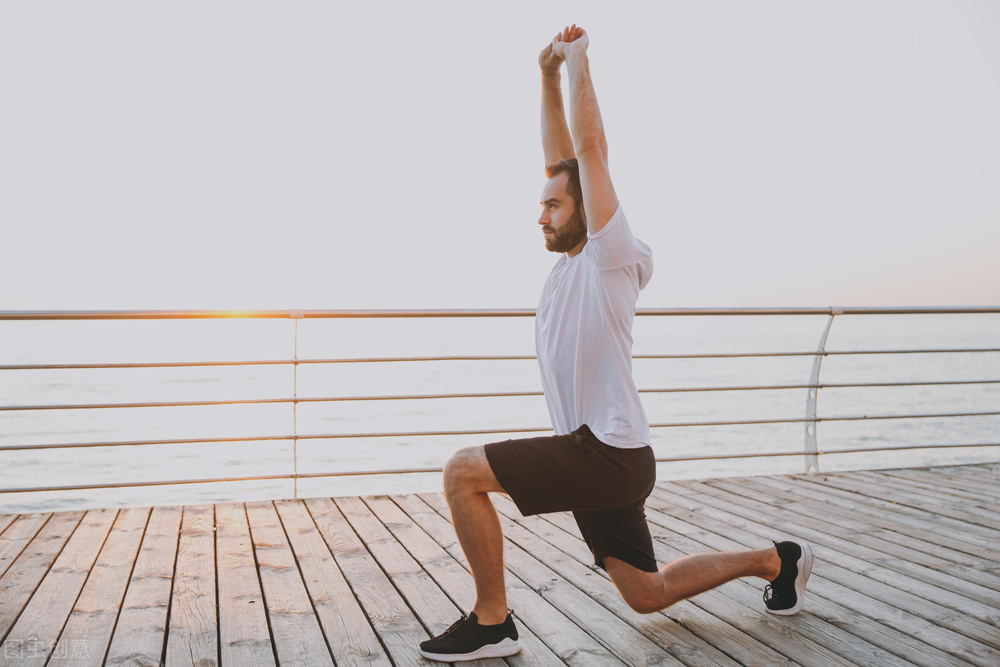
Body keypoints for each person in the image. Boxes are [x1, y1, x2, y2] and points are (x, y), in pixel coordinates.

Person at [418, 25, 813, 662]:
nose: (540, 213)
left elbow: (589, 154)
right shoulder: (571, 263)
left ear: (586, 210)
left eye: (552, 205)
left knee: (463, 472)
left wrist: (578, 61)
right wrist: (544, 74)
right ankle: (777, 561)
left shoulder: (611, 254)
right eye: (541, 204)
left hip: (605, 451)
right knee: (646, 594)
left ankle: (493, 622)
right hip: (607, 458)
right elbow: (564, 164)